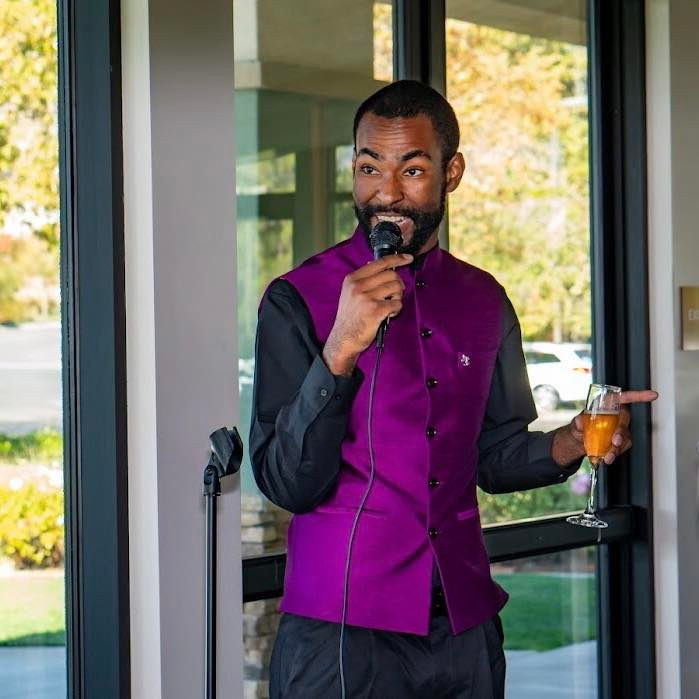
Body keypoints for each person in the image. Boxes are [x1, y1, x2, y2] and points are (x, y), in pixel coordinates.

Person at [249, 80, 657, 698]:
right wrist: (341, 348)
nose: (386, 193)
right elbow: (286, 482)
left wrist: (572, 440)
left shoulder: (484, 299)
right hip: (342, 629)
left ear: (452, 173)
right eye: (369, 168)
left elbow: (494, 456)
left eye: (412, 170)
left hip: (463, 626)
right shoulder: (296, 298)